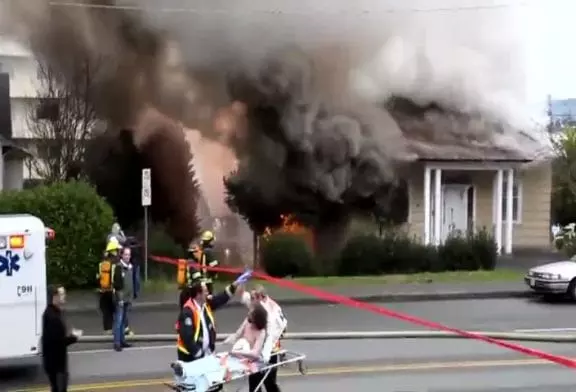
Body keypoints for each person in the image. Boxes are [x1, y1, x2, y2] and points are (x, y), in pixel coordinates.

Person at [176, 270, 253, 363]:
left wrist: (236, 283)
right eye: (205, 291)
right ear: (198, 294)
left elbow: (222, 297)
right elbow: (187, 336)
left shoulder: (206, 304)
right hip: (190, 357)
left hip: (205, 354)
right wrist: (198, 353)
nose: (208, 293)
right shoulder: (187, 311)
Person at [240, 285, 287, 392]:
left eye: (253, 298)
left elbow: (276, 331)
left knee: (268, 383)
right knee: (256, 384)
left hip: (268, 352)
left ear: (260, 297)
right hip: (258, 351)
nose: (250, 302)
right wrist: (242, 280)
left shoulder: (270, 312)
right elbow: (244, 296)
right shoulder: (259, 304)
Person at [42, 285, 83, 392]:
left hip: (53, 363)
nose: (64, 296)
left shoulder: (53, 312)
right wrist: (74, 337)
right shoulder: (53, 317)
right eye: (61, 294)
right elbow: (59, 342)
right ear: (54, 297)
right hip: (57, 366)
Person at [112, 245, 136, 352]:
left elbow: (131, 285)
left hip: (127, 298)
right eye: (125, 254)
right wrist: (120, 299)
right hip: (120, 299)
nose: (127, 256)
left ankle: (122, 340)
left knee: (123, 322)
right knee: (119, 320)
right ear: (122, 255)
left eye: (129, 255)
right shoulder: (118, 267)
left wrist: (131, 298)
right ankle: (117, 342)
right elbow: (117, 285)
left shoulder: (130, 267)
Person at [97, 237, 122, 334]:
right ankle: (118, 333)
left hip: (103, 292)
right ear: (114, 250)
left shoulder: (102, 263)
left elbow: (98, 278)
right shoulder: (117, 263)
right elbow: (118, 281)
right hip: (113, 292)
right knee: (117, 312)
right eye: (118, 250)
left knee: (106, 312)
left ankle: (107, 331)